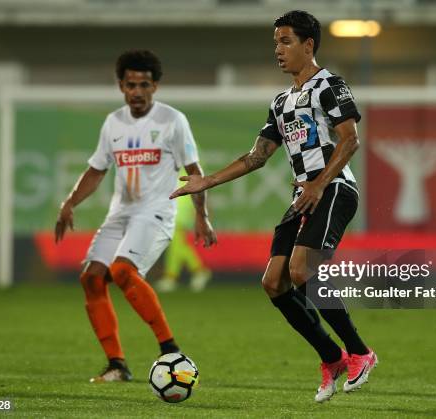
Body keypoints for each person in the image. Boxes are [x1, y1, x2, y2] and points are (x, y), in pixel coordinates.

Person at [171, 10, 376, 402]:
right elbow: (256, 157)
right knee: (273, 282)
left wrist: (319, 183)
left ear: (308, 45)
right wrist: (207, 180)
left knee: (302, 270)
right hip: (303, 197)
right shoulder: (281, 102)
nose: (278, 51)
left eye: (285, 42)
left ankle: (361, 353)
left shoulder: (329, 84)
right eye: (275, 43)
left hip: (334, 189)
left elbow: (350, 139)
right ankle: (331, 358)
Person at [55, 49, 217, 383]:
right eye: (131, 85)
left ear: (155, 86)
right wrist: (69, 202)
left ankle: (170, 351)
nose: (137, 92)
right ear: (121, 86)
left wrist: (202, 215)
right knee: (91, 278)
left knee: (122, 271)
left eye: (144, 84)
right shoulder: (113, 122)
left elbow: (194, 170)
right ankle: (117, 364)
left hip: (155, 213)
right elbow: (96, 170)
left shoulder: (173, 120)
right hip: (120, 214)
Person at [155, 174, 212, 293]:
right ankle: (171, 277)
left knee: (177, 243)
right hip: (179, 206)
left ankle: (199, 269)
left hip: (178, 207)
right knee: (175, 244)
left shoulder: (178, 165)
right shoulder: (183, 164)